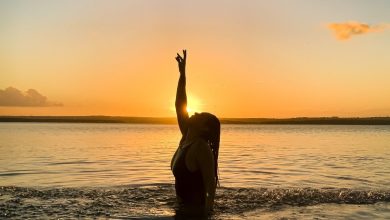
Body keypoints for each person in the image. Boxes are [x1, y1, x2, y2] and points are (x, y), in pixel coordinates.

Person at [171, 50, 221, 217]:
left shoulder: (201, 148)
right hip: (181, 209)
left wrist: (207, 214)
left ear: (205, 129)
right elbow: (179, 105)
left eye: (201, 116)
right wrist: (182, 75)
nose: (196, 113)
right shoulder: (186, 138)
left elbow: (210, 184)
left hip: (195, 213)